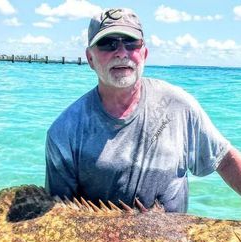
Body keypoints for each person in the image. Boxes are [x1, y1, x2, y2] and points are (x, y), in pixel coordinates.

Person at [45, 8, 241, 212]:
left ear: (144, 53)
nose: (121, 52)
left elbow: (225, 161)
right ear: (90, 58)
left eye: (131, 43)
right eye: (107, 43)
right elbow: (58, 216)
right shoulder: (63, 132)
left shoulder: (179, 106)